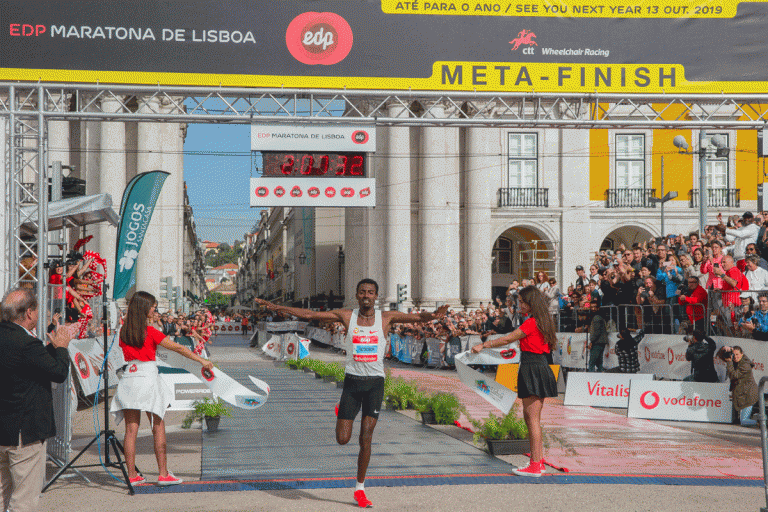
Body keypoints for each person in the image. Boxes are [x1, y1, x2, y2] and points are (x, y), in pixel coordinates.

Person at [255, 279, 448, 508]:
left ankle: (360, 488)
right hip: (352, 383)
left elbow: (419, 319)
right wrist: (278, 308)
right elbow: (307, 314)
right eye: (363, 292)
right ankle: (342, 410)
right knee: (342, 439)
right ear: (357, 295)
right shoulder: (347, 316)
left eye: (371, 292)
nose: (367, 295)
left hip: (375, 383)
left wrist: (435, 315)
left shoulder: (387, 318)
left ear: (376, 296)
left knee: (366, 437)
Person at [110, 291, 214, 487]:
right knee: (158, 427)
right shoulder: (151, 332)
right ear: (143, 309)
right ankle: (163, 474)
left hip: (129, 378)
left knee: (130, 431)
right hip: (148, 378)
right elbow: (180, 348)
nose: (154, 310)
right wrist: (201, 360)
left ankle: (131, 475)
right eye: (152, 307)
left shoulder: (124, 332)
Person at [471, 286, 557, 477]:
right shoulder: (543, 321)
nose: (520, 304)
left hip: (533, 366)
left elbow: (508, 338)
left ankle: (535, 465)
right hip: (537, 365)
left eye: (522, 301)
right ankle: (538, 461)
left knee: (532, 419)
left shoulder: (532, 322)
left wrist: (484, 345)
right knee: (531, 418)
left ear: (530, 302)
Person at [0, 287, 74, 512]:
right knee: (24, 499)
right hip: (25, 431)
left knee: (2, 492)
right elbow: (58, 373)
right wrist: (61, 347)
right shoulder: (25, 343)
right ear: (29, 313)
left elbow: (32, 365)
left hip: (4, 428)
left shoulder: (14, 339)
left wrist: (51, 349)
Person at [721, 346, 759, 426]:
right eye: (733, 354)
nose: (735, 357)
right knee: (742, 420)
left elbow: (733, 375)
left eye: (737, 354)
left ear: (742, 354)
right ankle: (758, 418)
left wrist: (729, 362)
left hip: (749, 395)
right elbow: (721, 356)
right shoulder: (737, 361)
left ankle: (761, 421)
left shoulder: (745, 365)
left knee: (744, 421)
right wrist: (724, 349)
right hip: (743, 395)